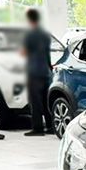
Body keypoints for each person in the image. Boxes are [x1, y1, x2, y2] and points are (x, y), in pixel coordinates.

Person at [22, 8, 54, 136]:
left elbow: (24, 53)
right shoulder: (45, 34)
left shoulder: (29, 35)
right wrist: (50, 68)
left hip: (33, 72)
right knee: (46, 100)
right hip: (46, 72)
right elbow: (47, 53)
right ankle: (51, 126)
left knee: (35, 101)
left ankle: (38, 128)